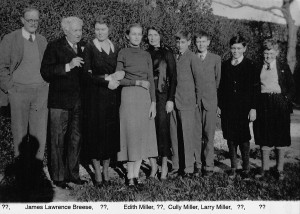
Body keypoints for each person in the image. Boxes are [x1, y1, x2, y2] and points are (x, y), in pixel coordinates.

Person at [41, 16, 87, 189]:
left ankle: (73, 175)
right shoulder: (54, 46)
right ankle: (59, 178)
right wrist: (68, 65)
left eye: (80, 30)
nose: (79, 33)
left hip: (77, 102)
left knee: (76, 139)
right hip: (59, 102)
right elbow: (46, 71)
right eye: (75, 30)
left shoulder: (83, 47)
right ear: (66, 31)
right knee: (57, 140)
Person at [0, 7, 48, 162]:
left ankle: (37, 175)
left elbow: (47, 66)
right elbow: (2, 66)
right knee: (19, 136)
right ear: (22, 20)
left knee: (39, 136)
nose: (33, 23)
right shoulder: (10, 38)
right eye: (30, 20)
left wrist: (47, 84)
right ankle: (21, 177)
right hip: (18, 92)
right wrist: (10, 89)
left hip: (40, 94)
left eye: (36, 20)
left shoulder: (42, 40)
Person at [82, 15, 122, 188]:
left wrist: (118, 78)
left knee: (109, 135)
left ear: (109, 30)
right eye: (97, 29)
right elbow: (86, 75)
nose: (100, 32)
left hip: (112, 98)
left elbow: (120, 69)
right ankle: (97, 172)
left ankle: (106, 170)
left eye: (103, 29)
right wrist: (107, 80)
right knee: (95, 134)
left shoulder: (116, 47)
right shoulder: (89, 47)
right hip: (95, 98)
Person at [116, 23, 158, 187]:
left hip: (144, 98)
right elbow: (119, 79)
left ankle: (135, 175)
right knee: (131, 136)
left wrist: (153, 102)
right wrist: (137, 82)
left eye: (139, 34)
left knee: (141, 136)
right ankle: (129, 175)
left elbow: (151, 81)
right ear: (127, 35)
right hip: (129, 96)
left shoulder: (146, 55)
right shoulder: (123, 53)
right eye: (133, 34)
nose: (136, 37)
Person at [253, 39, 295, 180]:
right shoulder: (258, 66)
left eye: (271, 52)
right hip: (263, 103)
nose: (268, 56)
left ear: (276, 53)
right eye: (265, 52)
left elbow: (291, 86)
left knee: (280, 135)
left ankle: (279, 169)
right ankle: (264, 169)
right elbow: (253, 87)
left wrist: (285, 100)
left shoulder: (283, 66)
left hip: (279, 102)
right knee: (264, 134)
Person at [218, 35, 258, 179]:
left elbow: (255, 89)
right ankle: (234, 167)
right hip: (228, 107)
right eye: (233, 48)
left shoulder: (250, 65)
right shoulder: (225, 65)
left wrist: (253, 108)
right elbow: (221, 88)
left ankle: (246, 168)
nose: (235, 51)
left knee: (243, 137)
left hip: (243, 108)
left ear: (244, 49)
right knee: (230, 137)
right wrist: (220, 106)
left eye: (239, 48)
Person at [146, 26, 177, 180]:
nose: (152, 38)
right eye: (149, 35)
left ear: (160, 35)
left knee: (163, 131)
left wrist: (170, 99)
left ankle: (164, 166)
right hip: (147, 95)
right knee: (149, 131)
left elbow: (174, 77)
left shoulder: (167, 52)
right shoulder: (145, 53)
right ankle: (153, 167)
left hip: (163, 95)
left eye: (155, 34)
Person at [169, 30, 200, 177]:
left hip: (187, 102)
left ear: (188, 43)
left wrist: (196, 101)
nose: (179, 45)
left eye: (183, 42)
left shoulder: (192, 57)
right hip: (174, 102)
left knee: (187, 137)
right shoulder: (175, 57)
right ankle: (176, 167)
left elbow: (199, 82)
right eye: (177, 42)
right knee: (175, 137)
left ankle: (188, 169)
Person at [193, 30, 221, 177]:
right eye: (198, 41)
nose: (201, 44)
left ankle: (209, 165)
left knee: (209, 136)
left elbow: (218, 82)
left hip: (210, 102)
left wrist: (216, 102)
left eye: (203, 41)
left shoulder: (216, 59)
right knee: (196, 135)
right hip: (195, 103)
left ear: (209, 42)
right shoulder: (191, 58)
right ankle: (198, 164)